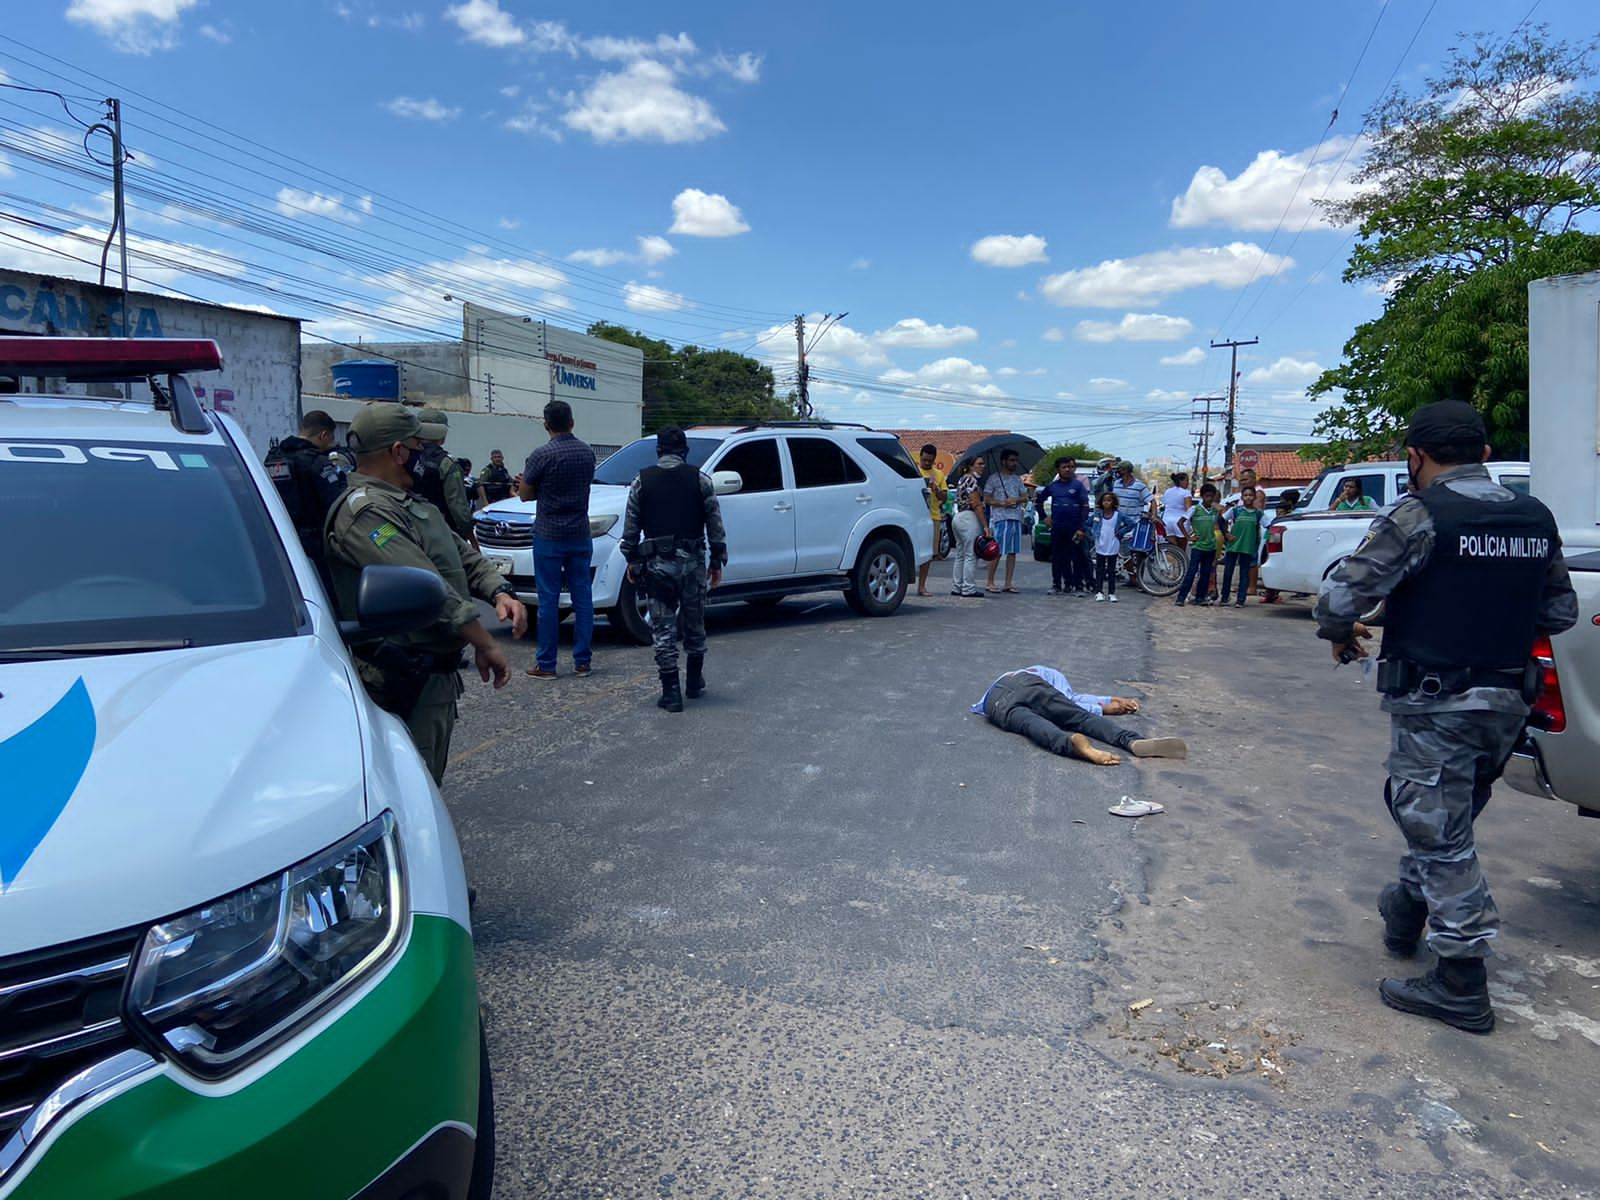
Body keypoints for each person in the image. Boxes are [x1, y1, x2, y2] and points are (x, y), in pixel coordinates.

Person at [1315, 399, 1576, 1034]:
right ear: (1485, 455)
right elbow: (1561, 611)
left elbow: (1341, 595)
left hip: (1438, 703)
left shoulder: (1420, 514)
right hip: (1508, 702)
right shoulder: (1535, 517)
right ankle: (1406, 908)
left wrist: (1338, 628)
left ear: (1416, 456)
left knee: (1439, 830)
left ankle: (1461, 978)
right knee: (1443, 820)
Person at [323, 403, 528, 785]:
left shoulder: (410, 503)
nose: (428, 456)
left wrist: (499, 591)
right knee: (409, 789)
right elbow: (425, 586)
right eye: (420, 446)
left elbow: (462, 555)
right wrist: (484, 642)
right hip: (402, 676)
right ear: (399, 452)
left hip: (433, 673)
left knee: (427, 777)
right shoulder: (367, 515)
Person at [618, 426, 728, 712]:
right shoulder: (701, 480)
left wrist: (632, 559)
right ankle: (694, 682)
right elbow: (715, 524)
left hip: (658, 566)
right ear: (685, 451)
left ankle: (671, 693)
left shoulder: (641, 482)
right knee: (695, 622)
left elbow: (630, 530)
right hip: (693, 564)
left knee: (663, 629)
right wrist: (717, 560)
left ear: (658, 451)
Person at [519, 400, 598, 679]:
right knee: (583, 596)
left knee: (548, 599)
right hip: (579, 531)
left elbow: (525, 494)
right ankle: (583, 660)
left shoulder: (541, 455)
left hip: (549, 533)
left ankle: (547, 663)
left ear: (546, 425)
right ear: (572, 422)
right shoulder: (587, 453)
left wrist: (529, 484)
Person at [972, 665, 1186, 765]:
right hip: (1029, 683)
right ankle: (1130, 741)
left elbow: (1072, 697)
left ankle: (1069, 743)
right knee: (1080, 719)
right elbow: (1072, 704)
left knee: (1032, 724)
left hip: (993, 701)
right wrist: (1103, 707)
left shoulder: (1023, 672)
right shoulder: (1050, 674)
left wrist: (1110, 699)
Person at [264, 409, 349, 565]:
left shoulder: (273, 458)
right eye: (331, 438)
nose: (332, 444)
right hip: (313, 547)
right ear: (323, 435)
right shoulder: (318, 462)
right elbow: (338, 503)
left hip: (278, 539)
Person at [409, 409, 475, 541]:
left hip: (407, 528)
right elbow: (457, 505)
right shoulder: (447, 463)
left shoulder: (402, 455)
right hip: (440, 532)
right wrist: (471, 537)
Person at [1034, 456, 1091, 595]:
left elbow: (1085, 507)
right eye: (1064, 467)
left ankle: (1078, 586)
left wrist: (1081, 527)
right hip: (1057, 527)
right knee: (1058, 557)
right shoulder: (1052, 487)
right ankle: (1057, 585)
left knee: (1077, 557)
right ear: (1058, 469)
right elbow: (1038, 502)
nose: (1068, 469)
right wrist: (1043, 517)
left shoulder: (1078, 486)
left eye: (1070, 467)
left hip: (1075, 527)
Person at [983, 449, 1027, 593]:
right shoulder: (994, 479)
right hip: (1000, 518)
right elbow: (987, 499)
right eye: (1012, 460)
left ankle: (1008, 582)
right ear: (1004, 461)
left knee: (1012, 551)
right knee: (997, 551)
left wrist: (1015, 499)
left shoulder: (1017, 479)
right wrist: (1002, 503)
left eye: (1016, 460)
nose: (1014, 463)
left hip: (1016, 517)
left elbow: (1025, 497)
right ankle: (990, 581)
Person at [1175, 482, 1224, 606]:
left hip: (1211, 546)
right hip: (1198, 546)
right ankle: (1181, 597)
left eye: (1212, 496)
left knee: (1205, 574)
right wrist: (1188, 537)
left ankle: (1200, 597)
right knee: (1191, 572)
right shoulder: (1195, 509)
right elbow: (1180, 522)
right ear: (1202, 496)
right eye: (1207, 496)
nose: (1210, 499)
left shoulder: (1214, 511)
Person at [950, 455, 991, 598]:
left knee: (961, 554)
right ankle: (968, 588)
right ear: (971, 466)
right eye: (979, 464)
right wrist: (985, 526)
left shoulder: (962, 479)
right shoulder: (972, 480)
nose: (982, 466)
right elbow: (976, 504)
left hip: (958, 517)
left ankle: (957, 586)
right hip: (969, 517)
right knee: (970, 554)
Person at [1220, 483, 1262, 607]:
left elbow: (1268, 525)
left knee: (1244, 574)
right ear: (1242, 498)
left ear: (1254, 497)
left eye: (1250, 495)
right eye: (1245, 495)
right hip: (1233, 546)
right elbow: (1221, 520)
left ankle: (1240, 599)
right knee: (1228, 572)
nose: (1248, 497)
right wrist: (1226, 534)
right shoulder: (1235, 511)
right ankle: (1225, 597)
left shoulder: (1258, 514)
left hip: (1248, 548)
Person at [914, 444, 948, 596]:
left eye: (930, 461)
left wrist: (936, 489)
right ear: (920, 457)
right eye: (924, 460)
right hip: (913, 516)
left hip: (932, 516)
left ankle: (922, 586)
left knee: (928, 554)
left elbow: (945, 498)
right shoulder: (913, 471)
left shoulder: (938, 475)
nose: (926, 463)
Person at [1260, 488, 1300, 604]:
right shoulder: (1275, 522)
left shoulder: (1293, 519)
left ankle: (1276, 595)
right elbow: (1269, 538)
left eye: (1281, 513)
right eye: (1278, 513)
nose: (1279, 515)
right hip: (1272, 549)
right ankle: (1269, 594)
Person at [1089, 490, 1121, 602]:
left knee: (1112, 570)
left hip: (1113, 545)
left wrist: (1121, 532)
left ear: (1113, 502)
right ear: (1101, 502)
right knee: (1099, 569)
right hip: (1100, 545)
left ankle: (1112, 593)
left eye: (1109, 500)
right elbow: (1087, 523)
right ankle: (1099, 592)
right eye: (1104, 500)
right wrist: (1093, 532)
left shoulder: (1118, 515)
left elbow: (1131, 523)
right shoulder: (1097, 515)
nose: (1106, 503)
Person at [1161, 471, 1192, 553]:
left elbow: (1165, 505)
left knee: (1172, 550)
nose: (1188, 483)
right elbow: (1189, 509)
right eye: (1186, 481)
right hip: (1180, 523)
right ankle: (1181, 565)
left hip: (1167, 522)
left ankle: (1172, 565)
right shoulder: (1186, 492)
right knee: (1181, 551)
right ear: (1181, 481)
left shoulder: (1167, 491)